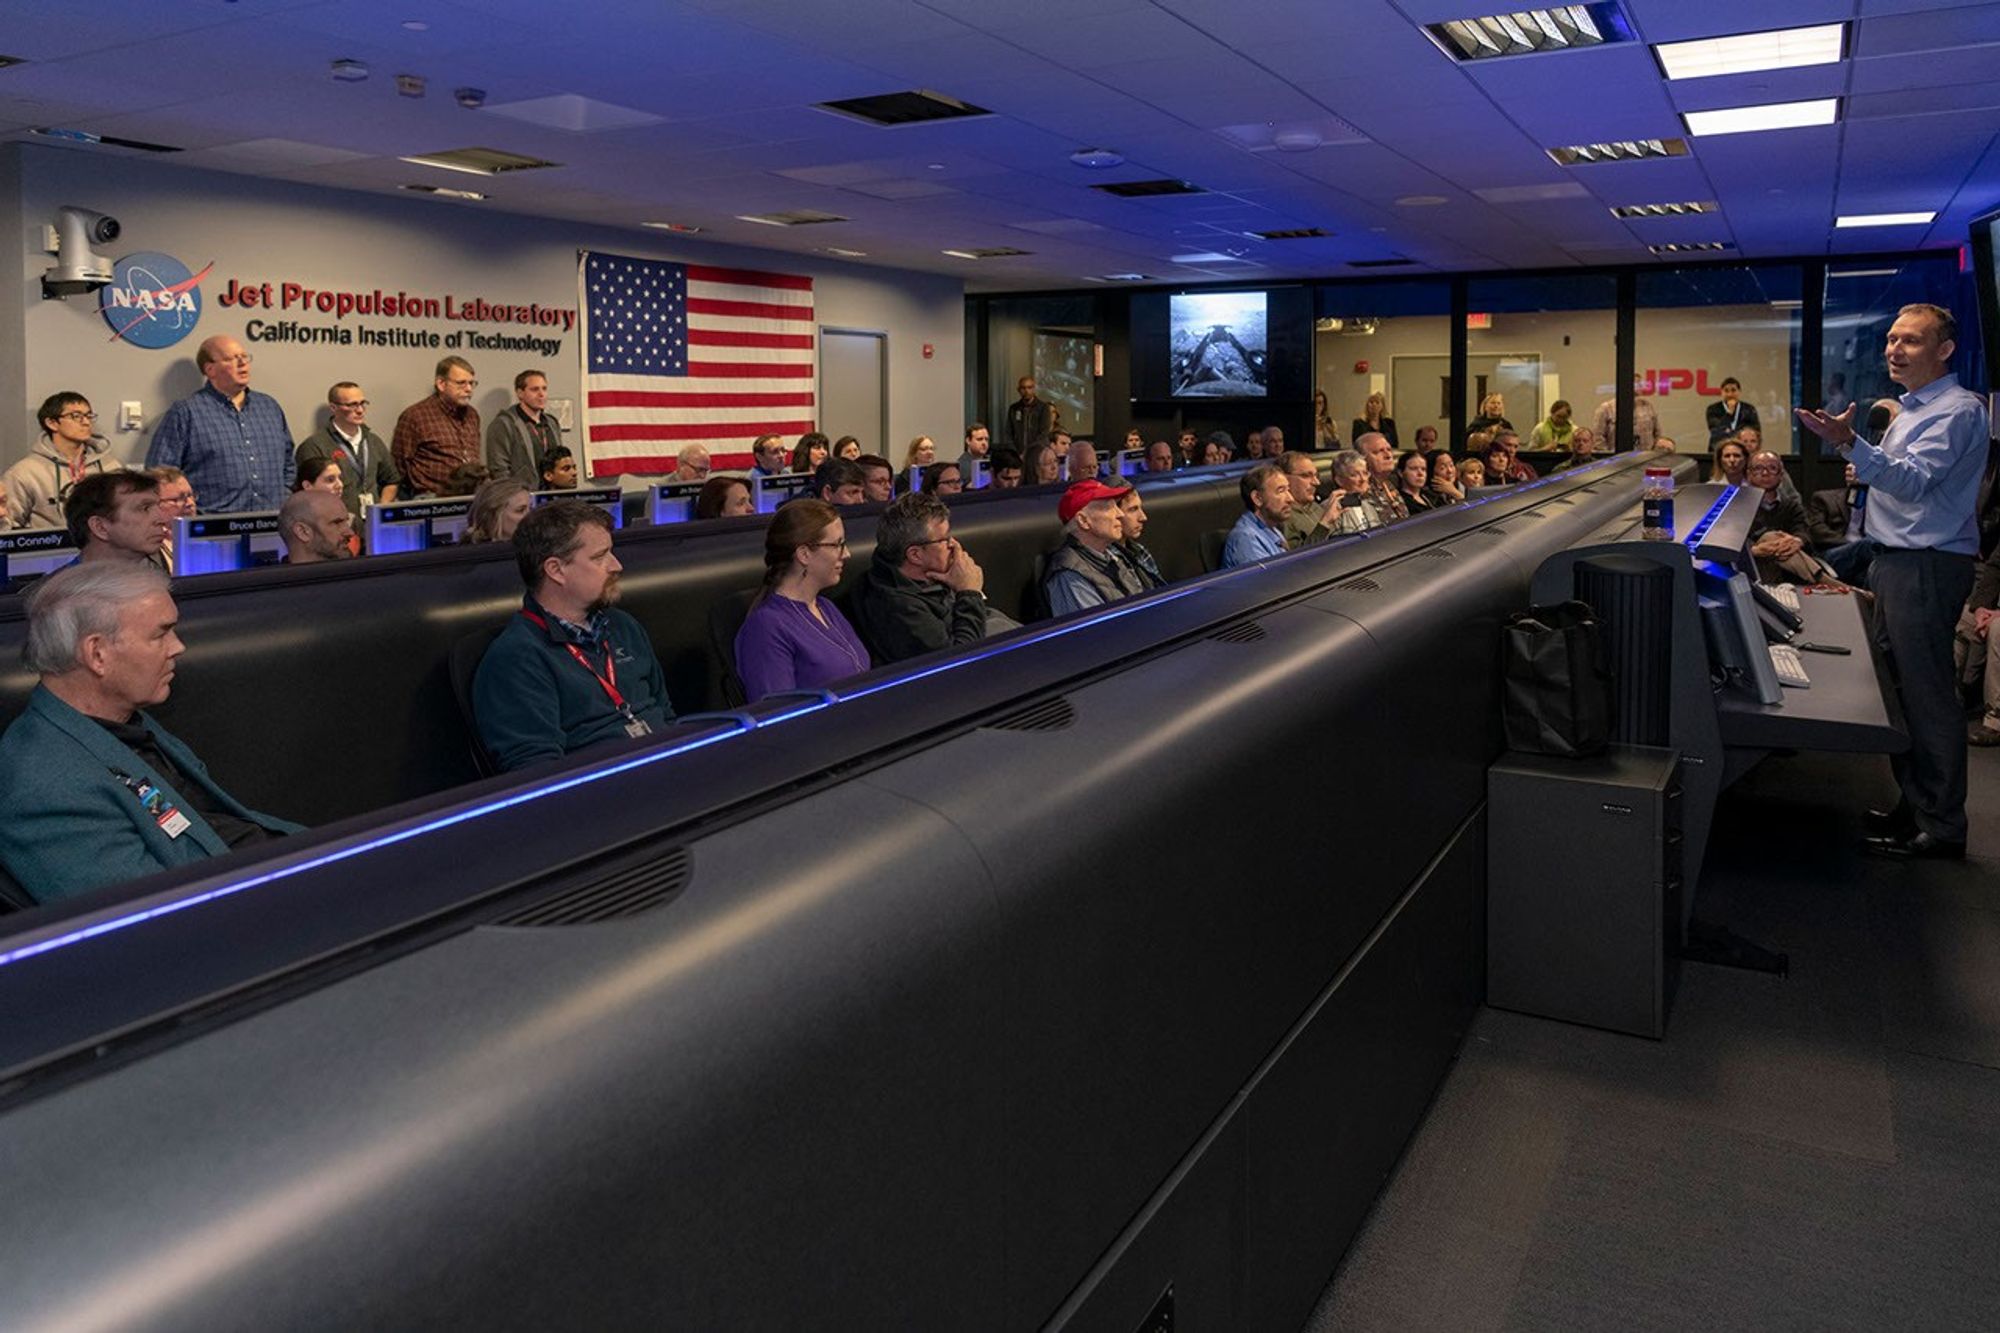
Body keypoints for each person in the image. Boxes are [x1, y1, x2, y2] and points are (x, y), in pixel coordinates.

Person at [1797, 303, 1990, 858]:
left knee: (1928, 697)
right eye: (1891, 339)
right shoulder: (1911, 410)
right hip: (1897, 561)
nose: (1893, 350)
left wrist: (1848, 442)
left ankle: (1943, 825)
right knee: (1902, 693)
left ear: (1945, 350)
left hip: (1926, 566)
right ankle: (1916, 806)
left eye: (1909, 341)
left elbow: (1913, 483)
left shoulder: (1955, 411)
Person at [0, 563, 304, 903]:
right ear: (97, 653)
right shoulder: (44, 787)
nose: (177, 647)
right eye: (161, 634)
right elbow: (148, 922)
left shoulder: (123, 720)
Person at [472, 500, 674, 772]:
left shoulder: (623, 627)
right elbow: (537, 774)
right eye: (599, 557)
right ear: (556, 570)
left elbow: (666, 716)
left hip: (669, 771)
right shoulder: (516, 658)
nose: (616, 565)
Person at [733, 499, 871, 703]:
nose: (847, 554)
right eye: (837, 545)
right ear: (804, 554)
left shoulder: (826, 607)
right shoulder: (766, 627)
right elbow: (777, 718)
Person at [145, 335, 294, 513]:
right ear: (210, 369)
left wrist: (283, 495)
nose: (242, 363)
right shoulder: (186, 412)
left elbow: (288, 462)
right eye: (231, 358)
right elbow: (160, 476)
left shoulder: (269, 407)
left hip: (270, 523)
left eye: (244, 357)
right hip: (211, 528)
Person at [852, 491, 996, 663]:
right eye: (944, 539)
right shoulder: (898, 607)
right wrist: (970, 593)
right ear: (915, 555)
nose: (954, 545)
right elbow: (960, 662)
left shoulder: (932, 577)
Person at [6, 392, 122, 530]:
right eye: (76, 416)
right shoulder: (24, 473)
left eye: (88, 416)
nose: (86, 422)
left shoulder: (110, 467)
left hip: (105, 547)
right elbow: (8, 526)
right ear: (52, 423)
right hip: (52, 548)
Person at [294, 381, 399, 522]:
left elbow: (391, 480)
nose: (360, 410)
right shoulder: (315, 446)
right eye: (352, 405)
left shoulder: (373, 441)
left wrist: (381, 509)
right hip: (335, 527)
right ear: (334, 407)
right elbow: (308, 494)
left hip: (372, 526)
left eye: (363, 403)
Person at [1044, 479, 1145, 616]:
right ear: (1084, 521)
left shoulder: (1113, 556)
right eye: (1109, 508)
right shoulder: (1070, 575)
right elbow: (1099, 633)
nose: (1120, 514)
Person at [392, 356, 482, 497]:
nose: (469, 389)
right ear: (441, 384)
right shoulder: (415, 416)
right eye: (461, 383)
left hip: (471, 496)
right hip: (432, 497)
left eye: (472, 383)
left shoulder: (472, 415)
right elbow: (399, 464)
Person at [65, 472, 170, 568]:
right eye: (145, 508)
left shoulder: (162, 581)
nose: (162, 519)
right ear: (100, 527)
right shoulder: (60, 587)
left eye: (159, 507)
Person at [1744, 452, 1816, 584]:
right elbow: (1732, 542)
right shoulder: (1738, 505)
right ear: (1749, 474)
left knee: (1778, 540)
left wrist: (1796, 541)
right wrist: (1755, 550)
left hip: (1789, 569)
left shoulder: (1791, 505)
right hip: (1752, 570)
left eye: (1772, 468)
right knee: (1771, 537)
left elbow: (1804, 531)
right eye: (1758, 468)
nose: (1765, 473)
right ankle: (1824, 581)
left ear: (1781, 475)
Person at [484, 369, 563, 486]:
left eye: (544, 388)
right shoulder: (503, 424)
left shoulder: (552, 422)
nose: (541, 394)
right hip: (521, 495)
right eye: (535, 389)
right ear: (520, 393)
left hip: (552, 493)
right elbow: (499, 468)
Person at [1958, 541, 2000, 746]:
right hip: (1994, 610)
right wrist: (1982, 608)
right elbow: (1994, 567)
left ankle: (1996, 720)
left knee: (1999, 630)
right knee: (1961, 618)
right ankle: (1951, 697)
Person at [1221, 463, 1293, 568]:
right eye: (1281, 491)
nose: (1290, 499)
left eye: (1288, 490)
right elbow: (1272, 581)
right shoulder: (1246, 538)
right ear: (1257, 498)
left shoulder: (1274, 530)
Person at [279, 488, 356, 564]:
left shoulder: (361, 572)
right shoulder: (276, 576)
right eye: (337, 523)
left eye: (346, 522)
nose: (350, 532)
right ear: (303, 532)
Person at [1279, 450, 1336, 548]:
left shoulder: (1316, 506)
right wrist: (1325, 522)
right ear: (1285, 479)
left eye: (1316, 476)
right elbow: (1300, 558)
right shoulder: (1283, 517)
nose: (1316, 482)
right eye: (1306, 476)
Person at [1117, 486, 1168, 590]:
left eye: (1140, 508)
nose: (1143, 517)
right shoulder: (1109, 563)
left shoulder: (1140, 550)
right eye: (1132, 509)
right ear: (1114, 513)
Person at [465, 477, 534, 544]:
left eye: (531, 508)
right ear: (493, 516)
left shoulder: (535, 549)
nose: (531, 516)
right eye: (520, 510)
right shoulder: (468, 554)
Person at [1358, 432, 1409, 521]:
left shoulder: (1390, 483)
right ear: (1363, 459)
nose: (1388, 455)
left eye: (1389, 450)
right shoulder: (1360, 489)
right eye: (1379, 451)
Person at [1808, 463, 1857, 548]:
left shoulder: (1879, 500)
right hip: (1837, 547)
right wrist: (1851, 544)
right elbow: (1817, 531)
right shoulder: (1824, 499)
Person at [1593, 390, 1660, 451]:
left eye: (1639, 384)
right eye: (1636, 384)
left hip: (1645, 457)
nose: (1637, 388)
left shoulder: (1647, 406)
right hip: (1617, 458)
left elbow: (1657, 432)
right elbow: (1598, 437)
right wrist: (1608, 456)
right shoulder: (1606, 408)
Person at [1006, 376, 1055, 454]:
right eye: (1023, 388)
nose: (1026, 391)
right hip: (1018, 454)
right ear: (1018, 390)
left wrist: (1030, 452)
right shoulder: (1014, 408)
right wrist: (1014, 452)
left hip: (1037, 452)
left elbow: (1044, 432)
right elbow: (1009, 432)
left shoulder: (1043, 407)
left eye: (1029, 388)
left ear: (1034, 389)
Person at [1706, 377, 1760, 446]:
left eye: (1733, 390)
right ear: (1721, 392)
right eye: (1726, 391)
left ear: (1739, 391)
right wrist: (1729, 412)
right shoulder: (1713, 409)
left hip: (1744, 447)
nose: (1730, 394)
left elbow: (1755, 431)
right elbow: (1716, 430)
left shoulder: (1749, 409)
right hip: (1719, 447)